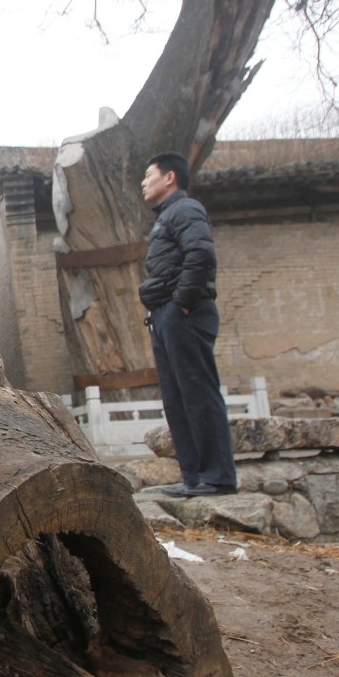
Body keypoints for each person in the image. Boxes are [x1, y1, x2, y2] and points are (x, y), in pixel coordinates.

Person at [139, 153, 237, 497]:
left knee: (197, 393)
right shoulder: (166, 216)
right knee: (176, 399)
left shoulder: (185, 210)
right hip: (165, 315)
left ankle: (218, 477)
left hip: (185, 313)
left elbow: (201, 256)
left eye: (148, 175)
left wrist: (181, 304)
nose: (143, 182)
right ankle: (194, 477)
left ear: (170, 178)